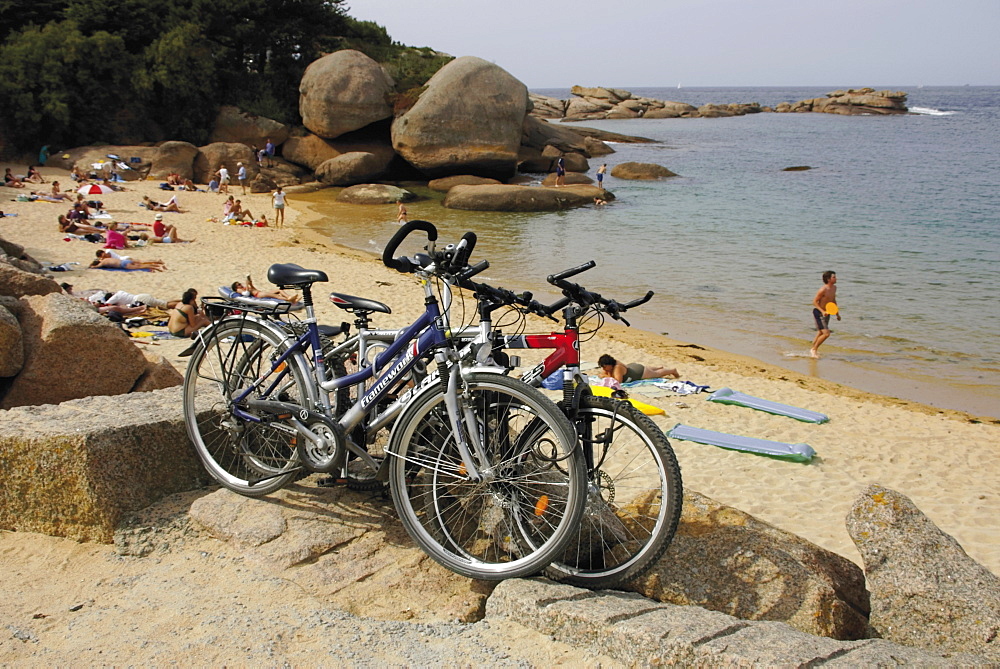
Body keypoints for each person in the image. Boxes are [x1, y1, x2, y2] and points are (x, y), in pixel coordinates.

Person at [810, 270, 841, 359]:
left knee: (820, 332)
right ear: (828, 279)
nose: (836, 278)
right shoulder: (823, 289)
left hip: (828, 313)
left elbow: (833, 301)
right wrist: (822, 311)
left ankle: (812, 349)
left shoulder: (834, 288)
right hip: (819, 313)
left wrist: (837, 313)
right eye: (834, 277)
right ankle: (814, 350)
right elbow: (815, 302)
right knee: (826, 333)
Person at [598, 354, 679, 383]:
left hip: (640, 372)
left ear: (609, 364)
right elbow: (604, 374)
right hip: (633, 367)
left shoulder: (617, 368)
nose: (604, 369)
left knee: (657, 374)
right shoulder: (612, 364)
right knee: (649, 369)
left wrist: (606, 376)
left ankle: (672, 370)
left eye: (605, 367)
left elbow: (618, 381)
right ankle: (657, 367)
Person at [232, 275, 298, 302]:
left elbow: (254, 289)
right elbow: (246, 294)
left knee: (279, 290)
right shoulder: (239, 290)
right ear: (236, 287)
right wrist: (247, 284)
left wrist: (250, 284)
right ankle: (288, 300)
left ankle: (289, 297)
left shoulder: (243, 288)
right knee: (276, 296)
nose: (240, 285)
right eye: (239, 284)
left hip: (259, 292)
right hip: (259, 294)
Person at [89, 250, 167, 272]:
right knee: (141, 262)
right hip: (124, 260)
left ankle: (157, 266)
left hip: (124, 263)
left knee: (141, 265)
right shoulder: (106, 258)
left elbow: (95, 267)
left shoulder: (103, 261)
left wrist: (92, 265)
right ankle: (157, 263)